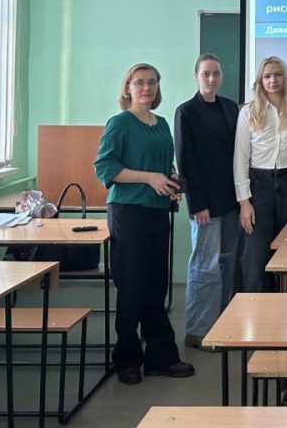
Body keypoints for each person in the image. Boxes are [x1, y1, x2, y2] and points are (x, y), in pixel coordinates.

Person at [94, 63, 194, 385]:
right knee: (132, 285)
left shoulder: (161, 124)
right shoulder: (119, 123)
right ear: (128, 88)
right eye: (139, 82)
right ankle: (127, 359)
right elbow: (105, 167)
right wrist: (150, 178)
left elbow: (163, 166)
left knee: (156, 285)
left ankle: (160, 357)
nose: (146, 88)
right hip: (128, 212)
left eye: (152, 82)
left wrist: (170, 178)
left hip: (157, 211)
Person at [173, 54, 240, 352]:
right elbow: (185, 160)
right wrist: (197, 204)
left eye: (216, 73)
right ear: (196, 76)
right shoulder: (186, 111)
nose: (211, 79)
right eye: (205, 74)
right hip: (205, 204)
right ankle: (198, 330)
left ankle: (220, 326)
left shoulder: (230, 107)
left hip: (231, 199)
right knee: (205, 266)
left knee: (226, 265)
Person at [234, 56, 287, 292]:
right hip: (258, 186)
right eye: (267, 76)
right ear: (260, 81)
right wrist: (244, 202)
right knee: (256, 256)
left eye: (277, 75)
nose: (273, 80)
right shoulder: (248, 112)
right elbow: (240, 158)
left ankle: (285, 307)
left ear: (285, 78)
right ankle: (257, 308)